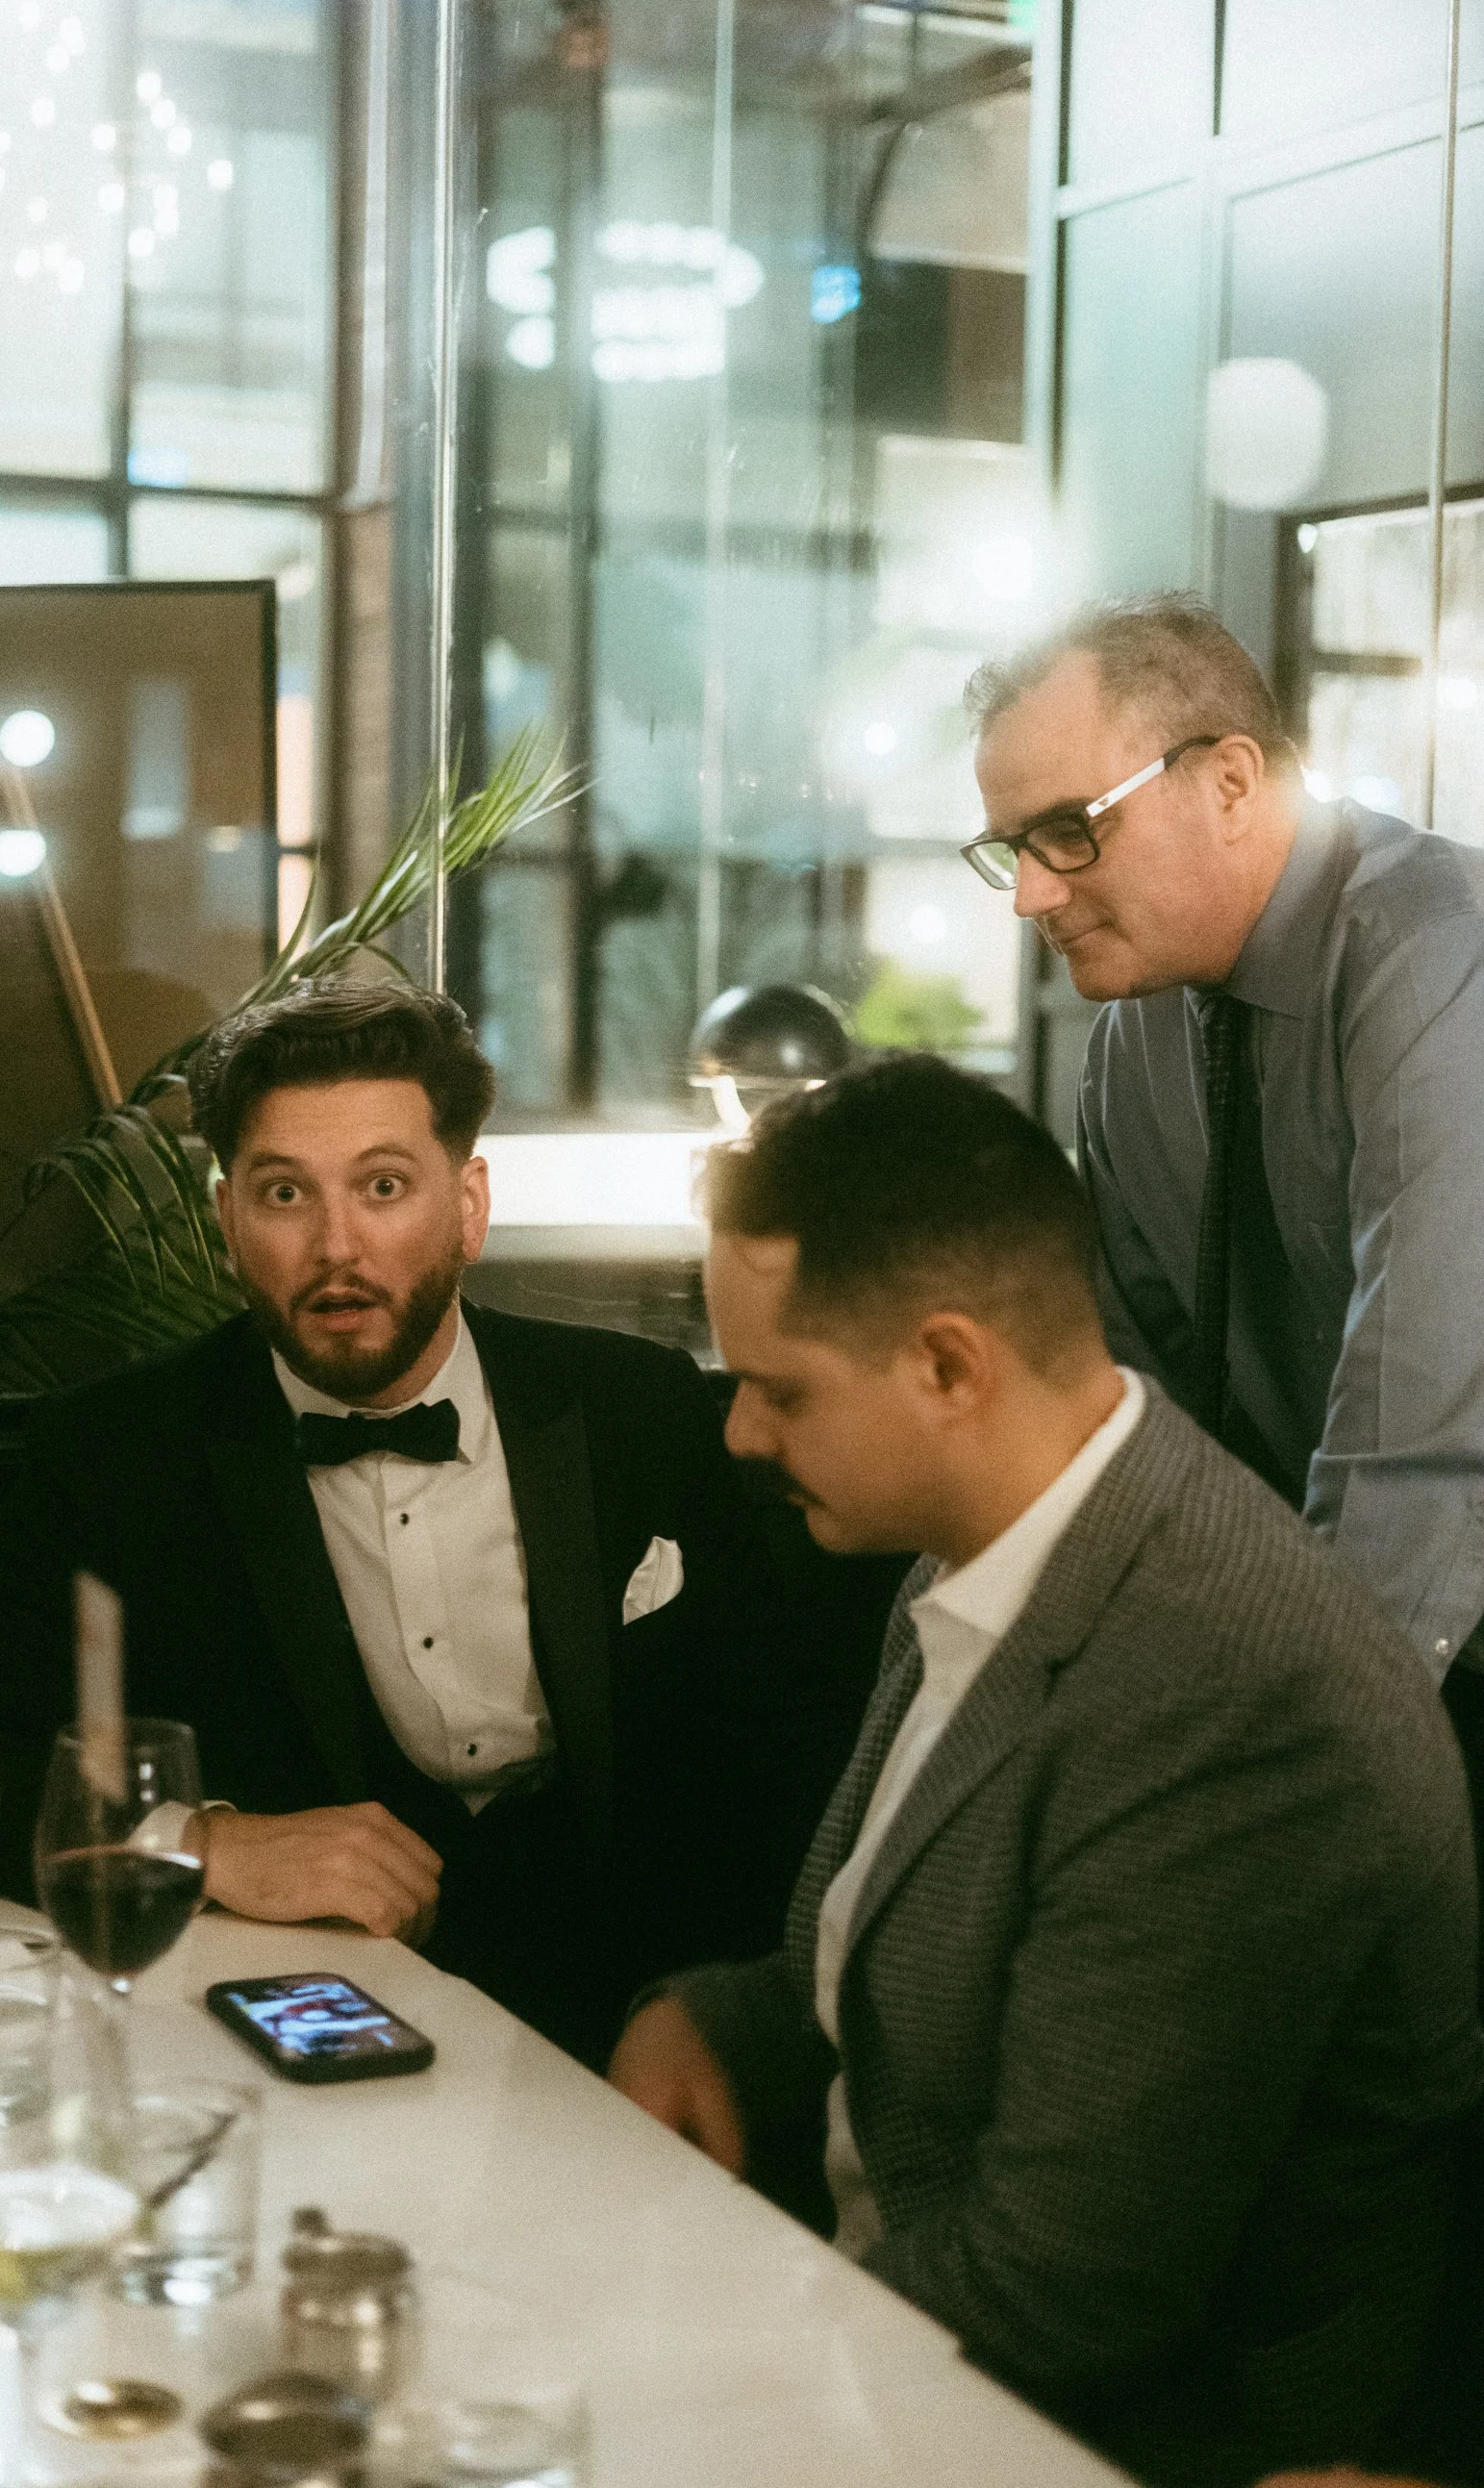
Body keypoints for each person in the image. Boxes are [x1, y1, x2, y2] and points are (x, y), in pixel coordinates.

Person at [608, 1056, 1484, 2488]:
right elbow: (916, 1961)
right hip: (903, 2341)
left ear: (950, 1367)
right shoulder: (988, 1532)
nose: (741, 1433)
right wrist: (716, 2024)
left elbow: (1063, 2298)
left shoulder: (1230, 1695)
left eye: (778, 1390)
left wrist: (659, 2355)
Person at [0, 977, 891, 2065]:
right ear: (227, 1221)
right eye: (284, 1195)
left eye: (383, 1186)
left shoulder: (640, 1407)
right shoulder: (115, 1451)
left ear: (469, 1206)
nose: (336, 1247)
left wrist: (724, 2017)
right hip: (306, 2031)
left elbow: (785, 1748)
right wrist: (201, 1845)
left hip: (636, 2025)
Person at [960, 592, 1484, 1835]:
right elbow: (1148, 1412)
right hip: (1335, 1627)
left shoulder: (1438, 952)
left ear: (1232, 782)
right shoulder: (1131, 1040)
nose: (1030, 897)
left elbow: (1417, 1433)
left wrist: (1287, 1774)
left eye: (1068, 832)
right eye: (1009, 849)